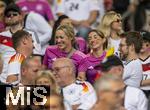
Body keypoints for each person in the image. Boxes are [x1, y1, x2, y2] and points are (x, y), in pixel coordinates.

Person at [139, 31, 150, 109]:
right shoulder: (130, 58)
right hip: (137, 92)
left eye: (145, 42)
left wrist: (138, 82)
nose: (142, 45)